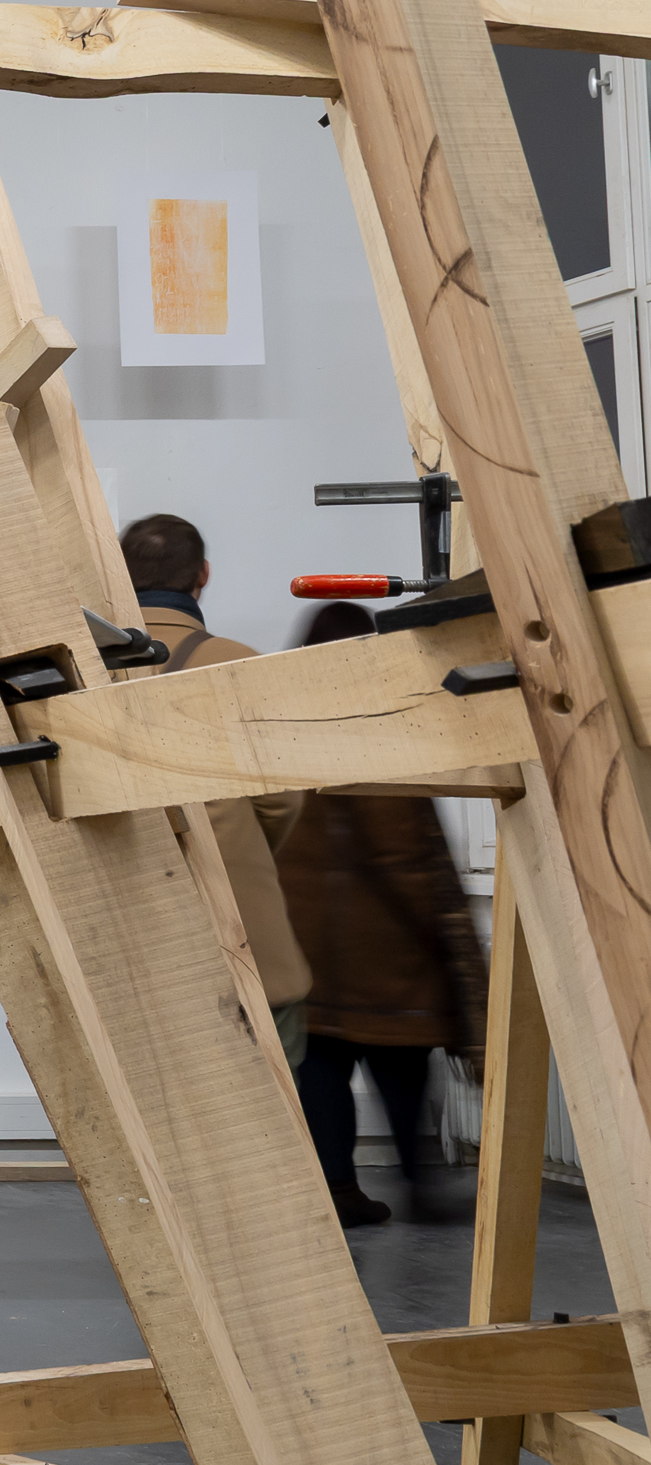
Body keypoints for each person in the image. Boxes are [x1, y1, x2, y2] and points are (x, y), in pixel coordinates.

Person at [271, 598, 487, 1224]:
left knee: (323, 1072)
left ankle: (339, 1191)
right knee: (401, 1070)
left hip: (303, 940)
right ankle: (421, 1185)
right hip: (383, 950)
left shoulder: (278, 727)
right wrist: (442, 936)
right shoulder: (378, 729)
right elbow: (402, 853)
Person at [121, 512, 316, 1089]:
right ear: (202, 574)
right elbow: (283, 802)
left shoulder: (75, 671)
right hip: (241, 936)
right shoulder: (238, 663)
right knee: (273, 1105)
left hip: (127, 932)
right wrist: (237, 855)